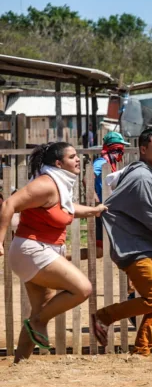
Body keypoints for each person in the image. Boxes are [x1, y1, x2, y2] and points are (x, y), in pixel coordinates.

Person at [0, 142, 107, 363]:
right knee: (82, 289)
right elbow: (9, 204)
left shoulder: (59, 183)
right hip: (31, 249)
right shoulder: (46, 184)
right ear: (59, 163)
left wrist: (94, 211)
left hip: (41, 250)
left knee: (39, 312)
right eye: (72, 156)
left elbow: (67, 208)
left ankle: (20, 363)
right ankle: (38, 322)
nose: (78, 159)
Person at [91, 128, 152, 357]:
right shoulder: (143, 177)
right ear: (143, 149)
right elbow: (151, 217)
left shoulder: (146, 172)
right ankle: (104, 317)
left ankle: (142, 352)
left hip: (150, 246)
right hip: (136, 249)